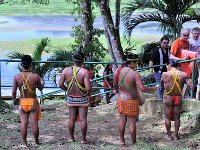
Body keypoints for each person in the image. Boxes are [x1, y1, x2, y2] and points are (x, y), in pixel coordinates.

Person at [113, 53, 157, 145]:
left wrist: (118, 91)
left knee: (122, 120)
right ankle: (133, 143)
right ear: (132, 62)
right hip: (131, 101)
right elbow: (142, 88)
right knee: (132, 122)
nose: (137, 65)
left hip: (121, 99)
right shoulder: (135, 73)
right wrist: (152, 89)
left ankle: (121, 141)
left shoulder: (120, 70)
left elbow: (115, 83)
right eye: (136, 63)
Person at [59, 51, 92, 144]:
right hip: (82, 98)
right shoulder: (84, 72)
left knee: (71, 118)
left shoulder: (66, 70)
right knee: (83, 119)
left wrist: (67, 90)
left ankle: (71, 138)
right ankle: (83, 139)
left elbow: (60, 84)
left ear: (73, 60)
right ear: (83, 61)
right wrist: (88, 95)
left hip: (71, 98)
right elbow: (89, 88)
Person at [12, 55, 44, 147]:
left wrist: (14, 100)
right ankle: (36, 142)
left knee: (24, 123)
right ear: (31, 64)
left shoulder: (17, 77)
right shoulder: (35, 76)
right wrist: (42, 81)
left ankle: (25, 143)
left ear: (21, 64)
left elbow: (13, 91)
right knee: (34, 123)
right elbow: (41, 87)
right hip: (33, 102)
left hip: (23, 102)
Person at [162, 59, 193, 140]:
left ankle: (169, 136)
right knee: (177, 117)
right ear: (178, 66)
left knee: (167, 117)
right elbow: (191, 85)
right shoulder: (183, 74)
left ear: (169, 65)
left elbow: (162, 86)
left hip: (168, 97)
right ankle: (176, 135)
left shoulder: (165, 74)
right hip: (178, 97)